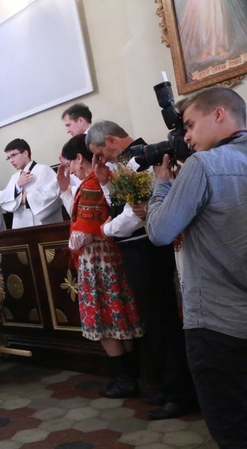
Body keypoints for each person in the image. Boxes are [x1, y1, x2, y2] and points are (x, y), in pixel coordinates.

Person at [145, 87, 247, 449]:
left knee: (236, 434)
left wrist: (162, 184)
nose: (185, 137)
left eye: (190, 125)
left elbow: (160, 230)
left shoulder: (204, 165)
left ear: (219, 114)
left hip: (219, 326)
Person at [86, 120, 196, 416]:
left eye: (100, 152)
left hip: (148, 249)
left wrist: (107, 229)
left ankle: (180, 393)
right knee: (154, 321)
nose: (102, 159)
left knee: (162, 321)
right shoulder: (126, 163)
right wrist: (106, 182)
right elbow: (122, 205)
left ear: (111, 140)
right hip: (135, 252)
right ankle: (168, 386)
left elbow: (137, 215)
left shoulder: (145, 159)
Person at [57, 134, 144, 396]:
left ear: (80, 158)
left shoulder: (91, 183)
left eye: (69, 164)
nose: (70, 169)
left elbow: (80, 233)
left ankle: (123, 379)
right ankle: (129, 376)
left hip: (96, 261)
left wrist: (72, 243)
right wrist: (64, 190)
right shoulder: (93, 182)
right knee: (119, 317)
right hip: (108, 256)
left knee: (106, 318)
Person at [0, 138, 63, 229]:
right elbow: (2, 200)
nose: (11, 161)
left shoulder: (44, 170)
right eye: (9, 158)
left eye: (13, 155)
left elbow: (54, 196)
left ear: (25, 153)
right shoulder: (15, 178)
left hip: (45, 227)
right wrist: (17, 186)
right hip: (21, 227)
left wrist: (27, 199)